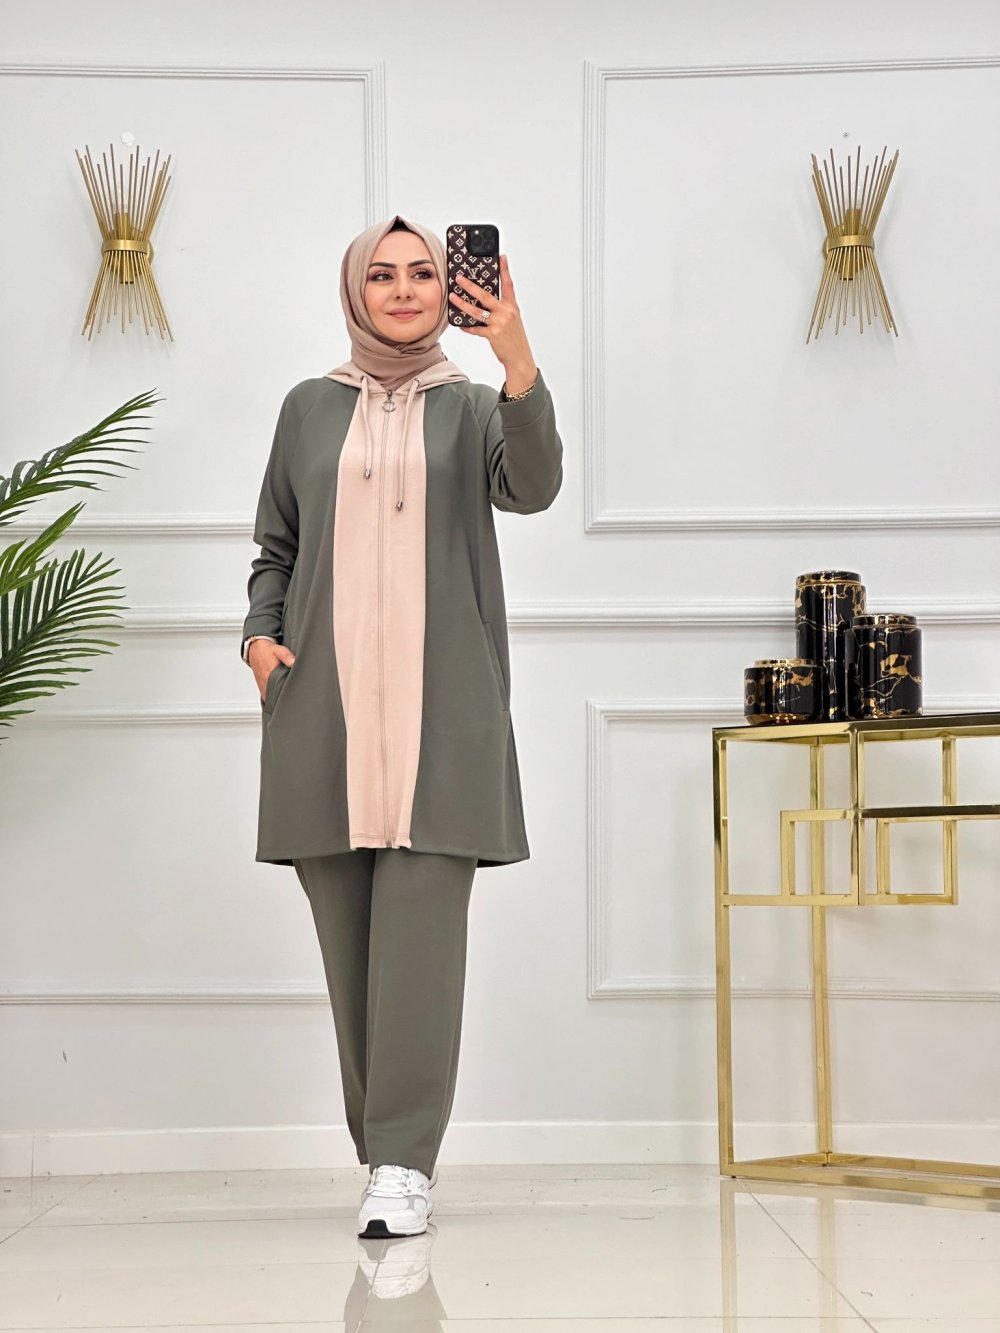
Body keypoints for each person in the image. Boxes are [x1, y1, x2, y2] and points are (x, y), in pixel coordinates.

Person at [241, 213, 563, 1238]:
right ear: (356, 292)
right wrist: (260, 640)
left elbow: (534, 486)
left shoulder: (473, 407)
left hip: (441, 718)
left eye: (424, 272)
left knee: (421, 950)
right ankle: (380, 1151)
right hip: (322, 714)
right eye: (382, 275)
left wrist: (515, 357)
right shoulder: (307, 409)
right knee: (351, 960)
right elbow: (275, 546)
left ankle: (402, 1163)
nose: (406, 288)